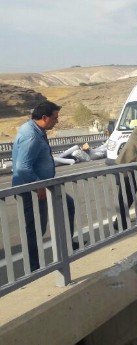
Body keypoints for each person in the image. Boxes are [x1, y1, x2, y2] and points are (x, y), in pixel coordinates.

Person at [12, 101, 76, 271]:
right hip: (32, 189)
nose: (57, 121)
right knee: (35, 228)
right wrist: (37, 185)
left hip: (45, 186)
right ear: (44, 117)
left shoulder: (38, 130)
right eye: (55, 118)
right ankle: (34, 268)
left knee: (67, 204)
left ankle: (69, 245)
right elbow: (22, 167)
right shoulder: (31, 135)